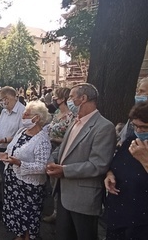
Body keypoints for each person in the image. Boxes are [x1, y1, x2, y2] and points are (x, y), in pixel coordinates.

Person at [46, 83, 116, 240]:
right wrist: (50, 161)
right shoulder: (75, 121)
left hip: (83, 198)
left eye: (71, 97)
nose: (68, 101)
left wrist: (64, 170)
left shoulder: (104, 127)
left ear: (83, 98)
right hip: (63, 194)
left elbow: (98, 165)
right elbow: (62, 149)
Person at [0, 101, 51, 240]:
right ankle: (19, 235)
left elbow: (42, 167)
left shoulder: (42, 139)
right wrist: (6, 155)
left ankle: (27, 237)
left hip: (29, 187)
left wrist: (20, 163)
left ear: (37, 118)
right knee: (16, 212)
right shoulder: (21, 131)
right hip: (13, 182)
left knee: (28, 215)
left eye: (27, 114)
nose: (23, 116)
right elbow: (12, 148)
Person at [104, 101, 148, 240]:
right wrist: (109, 175)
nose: (139, 131)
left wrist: (144, 159)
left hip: (141, 221)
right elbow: (115, 164)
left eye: (144, 128)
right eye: (135, 126)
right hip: (119, 214)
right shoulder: (131, 140)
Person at [0, 86, 25, 208]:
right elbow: (0, 128)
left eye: (2, 100)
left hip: (14, 152)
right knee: (4, 178)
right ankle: (5, 202)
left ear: (8, 98)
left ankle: (13, 205)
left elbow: (22, 134)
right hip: (1, 148)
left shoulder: (22, 112)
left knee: (12, 180)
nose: (1, 103)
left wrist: (5, 140)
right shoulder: (4, 111)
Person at [44, 87, 75, 223]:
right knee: (52, 183)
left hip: (62, 152)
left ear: (63, 99)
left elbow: (72, 139)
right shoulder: (56, 112)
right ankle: (55, 211)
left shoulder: (71, 117)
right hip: (49, 150)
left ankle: (61, 213)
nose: (53, 99)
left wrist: (55, 139)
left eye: (56, 97)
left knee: (59, 182)